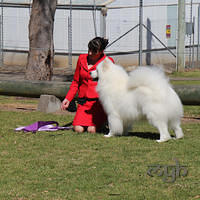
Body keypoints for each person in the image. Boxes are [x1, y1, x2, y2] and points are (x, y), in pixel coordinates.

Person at [61, 37, 114, 133]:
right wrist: (68, 99)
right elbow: (76, 82)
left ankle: (103, 121)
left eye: (94, 51)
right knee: (78, 129)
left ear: (101, 51)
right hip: (83, 102)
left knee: (91, 130)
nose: (90, 53)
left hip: (98, 104)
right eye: (89, 49)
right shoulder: (81, 59)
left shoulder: (107, 62)